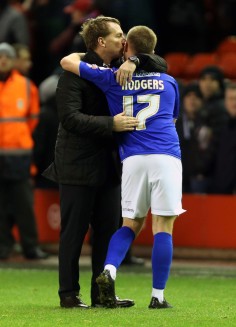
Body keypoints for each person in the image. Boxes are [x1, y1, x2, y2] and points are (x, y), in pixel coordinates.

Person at [43, 16, 167, 309]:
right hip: (76, 163)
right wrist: (110, 124)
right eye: (118, 35)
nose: (124, 40)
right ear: (101, 42)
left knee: (107, 232)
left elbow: (160, 64)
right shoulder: (74, 74)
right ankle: (69, 295)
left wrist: (134, 61)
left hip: (109, 165)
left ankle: (102, 294)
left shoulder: (120, 68)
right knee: (73, 234)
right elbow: (70, 118)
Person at [0, 42, 48, 260]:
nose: (3, 61)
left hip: (20, 155)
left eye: (6, 57)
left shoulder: (27, 87)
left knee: (24, 205)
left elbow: (33, 122)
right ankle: (3, 247)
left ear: (12, 61)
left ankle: (30, 247)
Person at [212, 82, 236, 194]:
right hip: (221, 191)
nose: (234, 103)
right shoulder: (222, 127)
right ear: (225, 102)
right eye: (231, 99)